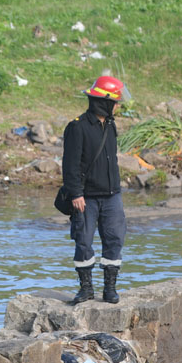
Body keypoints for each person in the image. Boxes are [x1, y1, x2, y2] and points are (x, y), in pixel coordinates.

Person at [61, 75, 129, 305]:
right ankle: (86, 288)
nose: (118, 107)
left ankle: (110, 289)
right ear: (105, 102)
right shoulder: (77, 127)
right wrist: (76, 194)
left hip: (112, 196)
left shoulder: (110, 125)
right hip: (86, 198)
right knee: (83, 242)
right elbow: (69, 165)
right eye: (115, 102)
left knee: (115, 239)